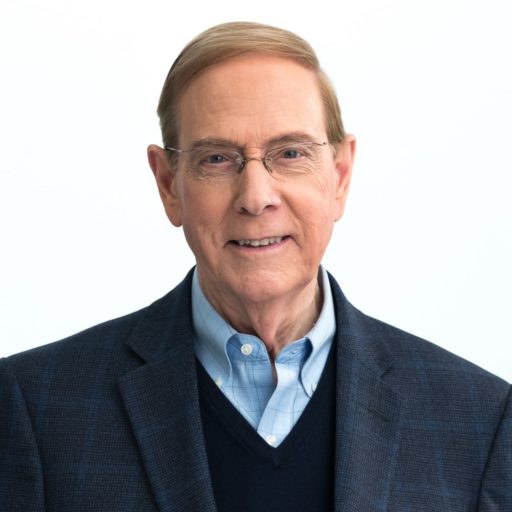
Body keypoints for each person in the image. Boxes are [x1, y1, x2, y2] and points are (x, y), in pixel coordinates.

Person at [0, 21, 510, 512]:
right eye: (217, 159)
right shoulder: (37, 410)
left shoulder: (481, 421)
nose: (256, 197)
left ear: (339, 176)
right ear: (168, 185)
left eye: (290, 153)